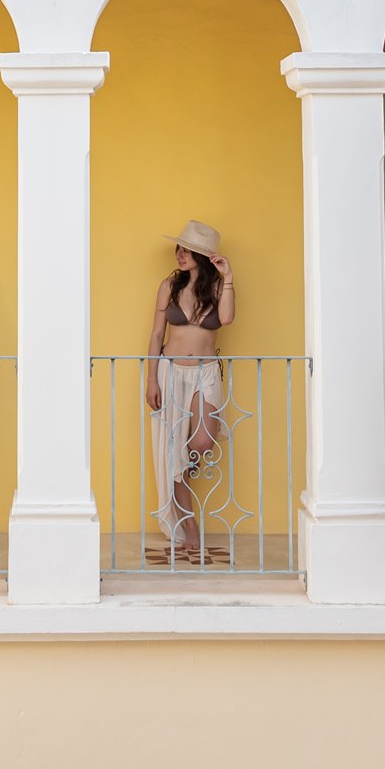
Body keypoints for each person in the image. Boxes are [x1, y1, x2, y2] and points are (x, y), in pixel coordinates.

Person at [145, 218, 235, 561]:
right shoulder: (169, 285)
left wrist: (228, 276)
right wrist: (151, 379)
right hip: (170, 372)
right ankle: (188, 523)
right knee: (173, 454)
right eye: (179, 249)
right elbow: (156, 335)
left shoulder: (218, 287)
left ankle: (181, 467)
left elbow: (226, 319)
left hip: (204, 373)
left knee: (200, 443)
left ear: (203, 256)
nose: (180, 255)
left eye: (188, 250)